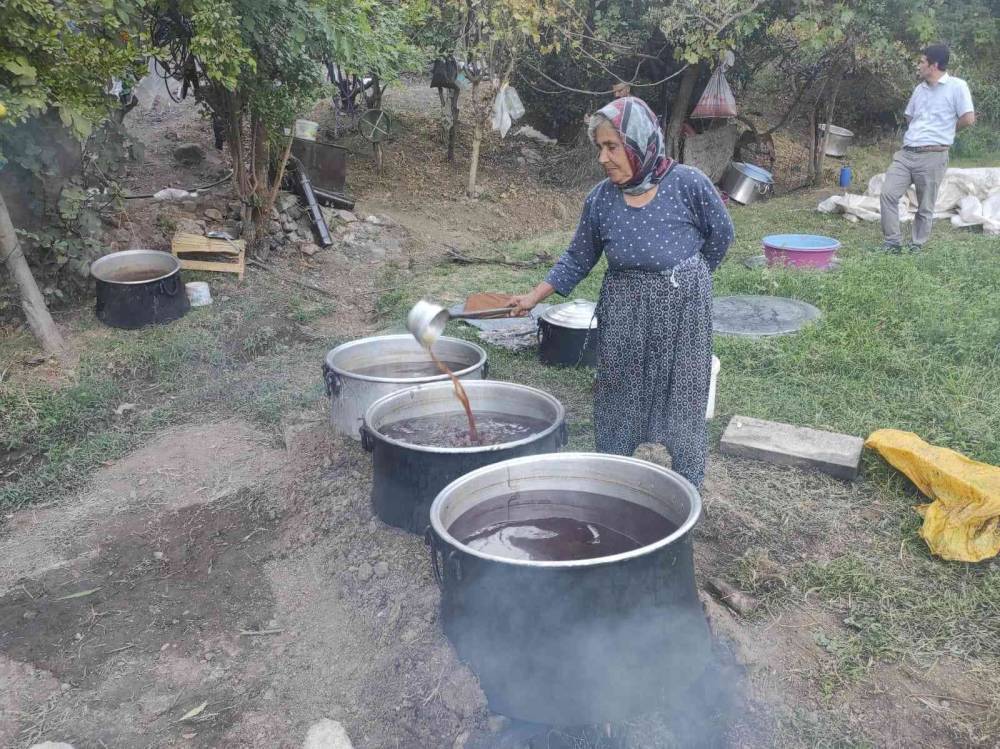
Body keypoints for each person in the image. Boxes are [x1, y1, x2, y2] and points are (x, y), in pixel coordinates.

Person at [507, 97, 734, 488]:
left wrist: (690, 279)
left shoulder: (688, 183)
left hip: (684, 316)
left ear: (639, 143)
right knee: (618, 394)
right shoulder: (601, 198)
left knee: (683, 398)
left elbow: (721, 236)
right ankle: (613, 480)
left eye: (612, 146)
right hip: (625, 313)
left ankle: (687, 488)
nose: (603, 158)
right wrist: (532, 297)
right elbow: (579, 256)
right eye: (600, 148)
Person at [880, 43, 975, 251]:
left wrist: (946, 132)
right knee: (887, 193)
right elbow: (909, 117)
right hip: (907, 153)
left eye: (922, 62)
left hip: (934, 155)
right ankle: (892, 243)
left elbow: (968, 118)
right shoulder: (919, 89)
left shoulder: (957, 87)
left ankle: (917, 244)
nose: (919, 66)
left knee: (925, 206)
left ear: (934, 65)